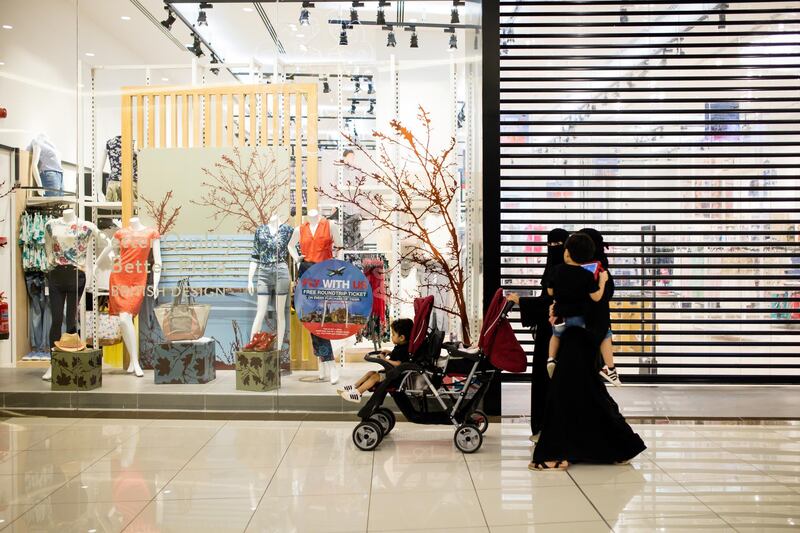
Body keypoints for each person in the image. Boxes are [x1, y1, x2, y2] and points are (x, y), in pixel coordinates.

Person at [529, 327, 646, 471]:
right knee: (587, 392)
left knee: (567, 392)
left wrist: (560, 307)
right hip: (579, 335)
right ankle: (623, 447)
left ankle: (555, 454)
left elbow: (595, 304)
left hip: (580, 336)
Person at [507, 228, 568, 439]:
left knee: (551, 379)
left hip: (560, 334)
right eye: (550, 245)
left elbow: (552, 302)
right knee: (544, 379)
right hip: (547, 334)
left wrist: (521, 301)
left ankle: (550, 427)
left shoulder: (564, 271)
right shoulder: (555, 269)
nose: (553, 249)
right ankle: (543, 425)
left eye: (557, 245)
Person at [546, 232, 608, 378]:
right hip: (578, 318)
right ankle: (599, 366)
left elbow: (549, 291)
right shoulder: (586, 274)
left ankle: (551, 359)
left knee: (556, 336)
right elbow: (596, 297)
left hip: (560, 316)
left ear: (566, 253)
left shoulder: (556, 270)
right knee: (584, 342)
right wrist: (602, 281)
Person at [580, 228, 621, 386]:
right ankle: (610, 370)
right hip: (600, 328)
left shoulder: (588, 271)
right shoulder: (603, 270)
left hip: (586, 331)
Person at [339, 318, 413, 403]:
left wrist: (385, 360)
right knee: (370, 373)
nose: (391, 336)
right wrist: (389, 352)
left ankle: (357, 394)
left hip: (394, 376)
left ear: (402, 337)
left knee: (375, 377)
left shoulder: (403, 349)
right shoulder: (400, 346)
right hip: (391, 372)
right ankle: (354, 387)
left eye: (393, 334)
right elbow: (398, 356)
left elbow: (399, 363)